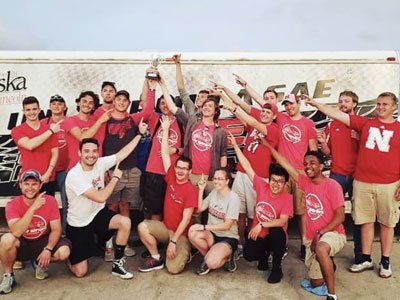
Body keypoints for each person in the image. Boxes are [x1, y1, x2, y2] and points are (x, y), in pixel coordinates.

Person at [305, 92, 400, 279]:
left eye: (385, 104)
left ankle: (385, 260)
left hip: (389, 183)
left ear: (394, 107)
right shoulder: (365, 123)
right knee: (364, 220)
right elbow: (336, 114)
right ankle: (365, 258)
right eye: (378, 104)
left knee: (387, 223)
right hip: (362, 181)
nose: (380, 107)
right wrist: (315, 103)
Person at [65, 119, 147, 279]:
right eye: (86, 151)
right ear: (79, 153)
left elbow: (123, 153)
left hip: (97, 215)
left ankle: (117, 264)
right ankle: (69, 255)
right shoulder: (74, 175)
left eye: (94, 151)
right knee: (80, 272)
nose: (91, 155)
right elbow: (101, 196)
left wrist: (139, 134)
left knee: (125, 222)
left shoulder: (100, 163)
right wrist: (115, 178)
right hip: (79, 224)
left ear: (98, 152)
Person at [267, 145, 345, 300]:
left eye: (312, 163)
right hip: (312, 238)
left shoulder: (332, 185)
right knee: (316, 282)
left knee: (322, 249)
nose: (308, 166)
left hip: (333, 233)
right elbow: (285, 164)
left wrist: (320, 233)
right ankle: (330, 263)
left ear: (321, 166)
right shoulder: (304, 182)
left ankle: (332, 295)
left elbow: (340, 217)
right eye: (305, 163)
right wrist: (268, 146)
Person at [216, 84, 280, 254]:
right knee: (240, 211)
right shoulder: (254, 128)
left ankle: (254, 245)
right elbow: (242, 113)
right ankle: (240, 242)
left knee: (254, 213)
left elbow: (250, 118)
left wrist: (233, 106)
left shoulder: (273, 130)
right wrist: (223, 95)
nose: (264, 114)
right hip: (242, 174)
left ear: (274, 116)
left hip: (257, 177)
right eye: (263, 111)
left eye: (268, 112)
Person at [137, 115, 197, 274]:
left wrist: (174, 241)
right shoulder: (171, 176)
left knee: (173, 270)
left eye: (184, 169)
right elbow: (164, 154)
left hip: (181, 235)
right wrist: (165, 130)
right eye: (178, 167)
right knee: (142, 226)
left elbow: (185, 220)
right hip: (166, 228)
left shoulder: (191, 189)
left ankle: (186, 251)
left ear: (189, 172)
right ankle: (156, 257)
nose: (180, 171)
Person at [230, 134, 293, 283]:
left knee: (278, 233)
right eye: (273, 180)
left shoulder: (287, 198)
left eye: (280, 182)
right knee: (248, 254)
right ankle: (263, 258)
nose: (276, 184)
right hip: (260, 234)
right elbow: (246, 165)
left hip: (273, 235)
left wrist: (261, 224)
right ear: (269, 180)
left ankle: (277, 268)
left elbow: (282, 221)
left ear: (285, 184)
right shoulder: (261, 186)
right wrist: (234, 145)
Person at [102, 88, 155, 260]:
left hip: (131, 169)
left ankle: (122, 243)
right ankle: (108, 244)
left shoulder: (132, 119)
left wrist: (150, 85)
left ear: (128, 103)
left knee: (125, 206)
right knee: (111, 207)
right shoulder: (106, 120)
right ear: (114, 101)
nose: (122, 103)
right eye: (119, 100)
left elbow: (148, 110)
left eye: (125, 100)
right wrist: (102, 169)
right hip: (112, 169)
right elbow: (99, 144)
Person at [0, 169, 71, 295]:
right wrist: (33, 208)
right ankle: (8, 276)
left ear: (40, 185)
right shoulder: (12, 204)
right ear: (20, 185)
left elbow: (56, 229)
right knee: (6, 239)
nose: (30, 188)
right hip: (23, 242)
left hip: (42, 240)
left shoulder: (50, 200)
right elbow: (16, 232)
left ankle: (39, 262)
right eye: (26, 184)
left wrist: (48, 249)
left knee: (64, 252)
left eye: (34, 184)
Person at [161, 70, 227, 191]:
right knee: (193, 209)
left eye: (210, 106)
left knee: (213, 208)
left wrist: (223, 175)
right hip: (192, 175)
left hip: (212, 177)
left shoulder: (220, 132)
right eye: (205, 105)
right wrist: (163, 85)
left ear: (216, 111)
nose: (206, 107)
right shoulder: (192, 121)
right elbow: (172, 107)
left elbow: (223, 155)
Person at [317, 90, 361, 264]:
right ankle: (329, 249)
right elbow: (328, 152)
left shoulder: (360, 124)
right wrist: (322, 142)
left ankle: (359, 255)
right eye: (340, 101)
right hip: (337, 174)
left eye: (347, 101)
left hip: (358, 175)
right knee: (332, 213)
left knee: (358, 216)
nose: (343, 104)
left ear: (354, 104)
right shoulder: (332, 125)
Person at [141, 80, 185, 221]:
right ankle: (155, 238)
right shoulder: (155, 119)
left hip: (173, 172)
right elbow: (145, 104)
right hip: (154, 170)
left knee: (172, 207)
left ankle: (169, 237)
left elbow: (189, 149)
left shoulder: (180, 122)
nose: (165, 105)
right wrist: (149, 84)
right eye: (162, 103)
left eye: (167, 102)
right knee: (154, 208)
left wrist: (176, 150)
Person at [188, 168, 240, 275]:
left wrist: (204, 227)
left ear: (227, 181)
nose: (216, 181)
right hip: (212, 234)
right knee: (192, 231)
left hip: (228, 237)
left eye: (220, 179)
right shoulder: (214, 192)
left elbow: (227, 225)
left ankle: (228, 257)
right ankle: (208, 257)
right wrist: (201, 189)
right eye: (215, 178)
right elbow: (200, 208)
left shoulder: (233, 198)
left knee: (212, 263)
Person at [11, 96, 61, 196]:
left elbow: (55, 153)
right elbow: (30, 145)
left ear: (39, 110)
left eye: (34, 109)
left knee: (47, 209)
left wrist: (48, 173)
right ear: (23, 111)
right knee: (28, 211)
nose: (31, 112)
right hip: (27, 180)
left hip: (47, 179)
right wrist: (50, 131)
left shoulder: (48, 128)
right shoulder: (17, 130)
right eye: (28, 110)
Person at [62, 91, 109, 171]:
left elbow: (100, 147)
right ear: (78, 103)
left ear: (94, 107)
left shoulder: (97, 123)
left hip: (95, 170)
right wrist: (100, 121)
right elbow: (82, 138)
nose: (87, 104)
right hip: (76, 169)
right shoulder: (69, 120)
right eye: (84, 101)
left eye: (90, 103)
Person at [45, 94, 69, 234]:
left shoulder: (70, 122)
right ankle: (46, 234)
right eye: (54, 103)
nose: (56, 106)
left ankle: (65, 234)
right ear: (50, 106)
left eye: (60, 103)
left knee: (68, 204)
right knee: (47, 203)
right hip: (48, 169)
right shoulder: (44, 123)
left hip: (65, 170)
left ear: (65, 106)